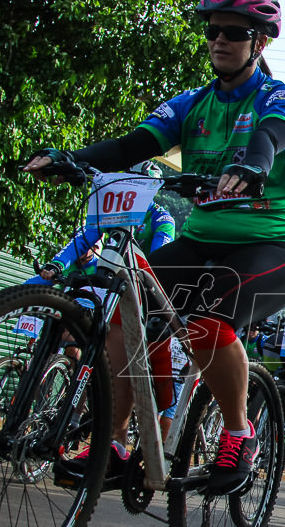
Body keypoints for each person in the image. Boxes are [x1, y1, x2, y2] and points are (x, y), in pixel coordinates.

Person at [25, 0, 285, 495]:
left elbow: (271, 137)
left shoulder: (279, 97)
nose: (219, 40)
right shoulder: (190, 105)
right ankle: (111, 441)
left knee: (206, 320)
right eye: (212, 30)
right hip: (201, 241)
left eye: (234, 32)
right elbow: (132, 145)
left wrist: (250, 164)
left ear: (259, 42)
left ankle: (239, 434)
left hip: (269, 246)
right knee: (126, 313)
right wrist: (71, 159)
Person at [30, 161, 178, 482]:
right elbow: (85, 238)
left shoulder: (160, 219)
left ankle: (137, 440)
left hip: (137, 297)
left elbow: (160, 260)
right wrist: (57, 265)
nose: (133, 191)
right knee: (88, 349)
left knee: (124, 364)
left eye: (141, 185)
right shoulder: (116, 209)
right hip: (105, 291)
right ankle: (81, 419)